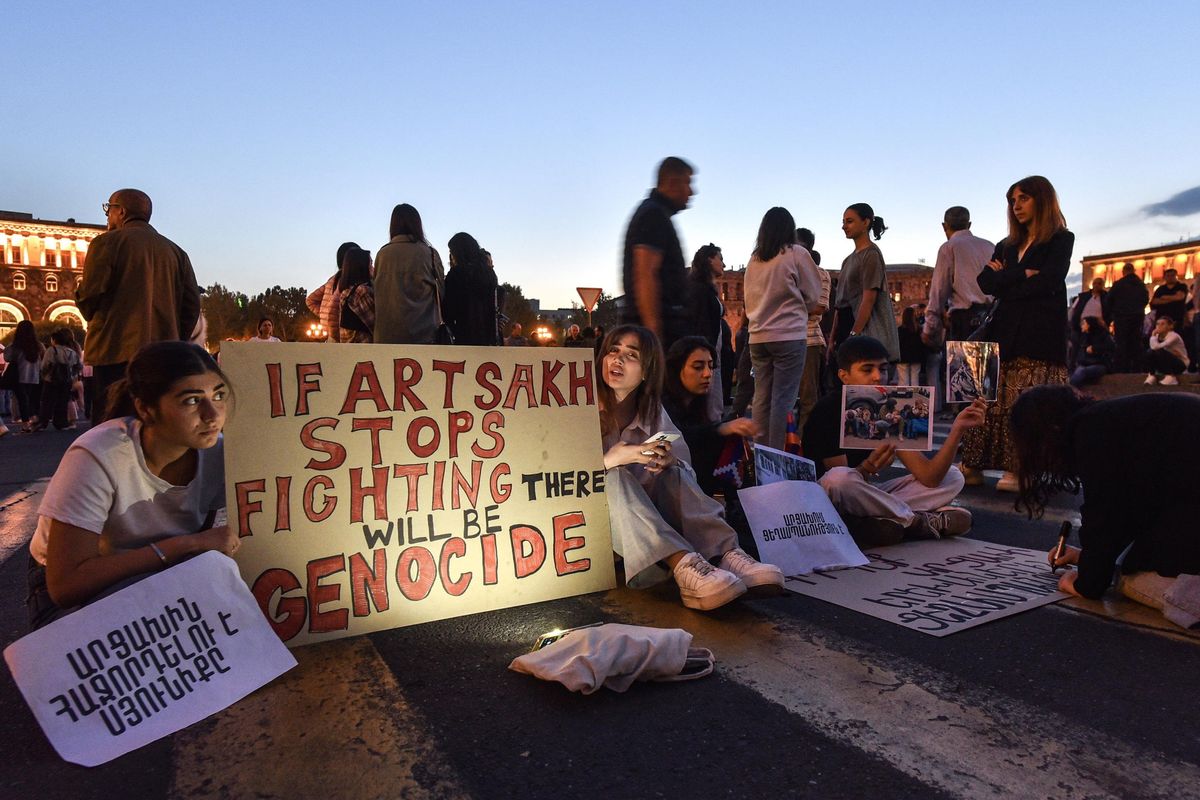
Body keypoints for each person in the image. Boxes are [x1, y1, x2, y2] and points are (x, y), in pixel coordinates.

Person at [26, 341, 238, 629]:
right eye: (191, 400)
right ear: (146, 409)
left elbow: (206, 538)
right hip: (80, 582)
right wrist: (186, 545)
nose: (213, 415)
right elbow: (66, 585)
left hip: (162, 571)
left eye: (219, 395)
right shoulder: (99, 454)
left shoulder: (217, 452)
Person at [596, 325, 782, 610]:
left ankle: (725, 553)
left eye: (630, 355)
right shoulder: (580, 404)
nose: (617, 361)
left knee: (676, 470)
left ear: (647, 370)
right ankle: (683, 565)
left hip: (649, 518)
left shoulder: (652, 409)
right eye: (613, 351)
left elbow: (687, 470)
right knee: (615, 477)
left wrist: (668, 461)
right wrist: (611, 459)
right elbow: (560, 476)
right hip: (598, 531)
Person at [1011, 386, 1200, 629]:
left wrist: (1086, 582)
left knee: (1130, 580)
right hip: (1187, 504)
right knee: (1136, 557)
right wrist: (1086, 557)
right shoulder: (1109, 419)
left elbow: (1105, 514)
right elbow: (1128, 511)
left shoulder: (1093, 433)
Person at [802, 336, 985, 546]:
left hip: (865, 499)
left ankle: (888, 521)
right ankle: (916, 521)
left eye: (883, 369)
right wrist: (868, 468)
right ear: (844, 375)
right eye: (867, 369)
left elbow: (929, 477)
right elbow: (841, 488)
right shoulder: (828, 410)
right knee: (839, 479)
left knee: (953, 476)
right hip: (826, 498)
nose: (878, 377)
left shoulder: (892, 406)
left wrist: (957, 430)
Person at [961, 176, 1073, 493]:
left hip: (1039, 334)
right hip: (1003, 332)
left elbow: (1050, 280)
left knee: (1026, 400)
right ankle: (975, 462)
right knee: (990, 398)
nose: (1016, 205)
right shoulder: (1006, 245)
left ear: (1042, 199)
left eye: (1023, 198)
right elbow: (985, 283)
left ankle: (1020, 467)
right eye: (1013, 200)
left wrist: (1007, 280)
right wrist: (1022, 273)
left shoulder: (1060, 239)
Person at [76, 189, 202, 424]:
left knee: (112, 429)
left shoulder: (106, 243)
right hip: (162, 356)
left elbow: (89, 297)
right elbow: (191, 306)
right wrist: (174, 339)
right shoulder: (176, 252)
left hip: (114, 353)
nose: (107, 217)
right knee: (154, 425)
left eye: (108, 209)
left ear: (121, 211)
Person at [743, 207, 823, 449]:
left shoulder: (754, 259)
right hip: (788, 333)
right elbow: (814, 295)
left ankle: (758, 449)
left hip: (757, 336)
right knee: (783, 399)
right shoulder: (796, 253)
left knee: (762, 396)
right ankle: (776, 454)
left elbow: (749, 298)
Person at [662, 336, 759, 495]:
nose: (707, 374)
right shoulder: (660, 404)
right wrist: (720, 429)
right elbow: (680, 439)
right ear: (676, 368)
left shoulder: (697, 405)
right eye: (698, 367)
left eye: (711, 366)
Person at [622, 157, 694, 350]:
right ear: (672, 183)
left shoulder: (655, 213)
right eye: (688, 183)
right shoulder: (653, 216)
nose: (692, 191)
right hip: (655, 335)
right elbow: (645, 275)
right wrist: (653, 335)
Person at [832, 203, 900, 369]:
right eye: (843, 222)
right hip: (846, 324)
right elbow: (840, 304)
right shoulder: (847, 260)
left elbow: (869, 299)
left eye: (849, 221)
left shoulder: (871, 254)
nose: (844, 226)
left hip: (859, 326)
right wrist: (833, 338)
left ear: (866, 222)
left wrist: (854, 334)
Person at [373, 204, 445, 344]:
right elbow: (441, 293)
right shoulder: (430, 254)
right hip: (425, 336)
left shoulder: (382, 254)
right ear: (418, 224)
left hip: (386, 337)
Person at [926, 207, 995, 343]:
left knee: (961, 364)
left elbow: (938, 291)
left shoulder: (949, 247)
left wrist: (930, 327)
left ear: (944, 226)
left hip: (964, 322)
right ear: (969, 225)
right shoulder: (990, 246)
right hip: (992, 318)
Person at [795, 228, 831, 435]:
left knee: (808, 396)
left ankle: (804, 441)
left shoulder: (819, 274)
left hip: (809, 341)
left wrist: (789, 305)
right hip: (789, 338)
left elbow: (819, 307)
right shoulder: (792, 270)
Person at [687, 243, 728, 421]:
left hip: (712, 354)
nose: (724, 264)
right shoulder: (701, 291)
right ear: (710, 260)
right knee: (709, 405)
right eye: (721, 259)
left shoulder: (706, 289)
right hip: (707, 355)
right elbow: (702, 324)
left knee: (712, 403)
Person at [442, 232, 499, 346]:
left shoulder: (455, 275)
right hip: (488, 338)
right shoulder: (489, 274)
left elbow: (448, 311)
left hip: (462, 336)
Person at [306, 241, 360, 343]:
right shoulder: (351, 279)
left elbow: (311, 300)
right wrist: (331, 316)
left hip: (331, 334)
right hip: (345, 334)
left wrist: (324, 315)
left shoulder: (332, 280)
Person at [34, 328, 82, 431]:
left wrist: (44, 375)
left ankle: (43, 422)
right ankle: (61, 423)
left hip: (51, 379)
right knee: (62, 402)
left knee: (47, 402)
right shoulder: (71, 352)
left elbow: (44, 365)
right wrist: (72, 373)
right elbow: (79, 365)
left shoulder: (52, 350)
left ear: (54, 339)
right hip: (66, 381)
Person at [1105, 263, 1149, 373]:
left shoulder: (1118, 284)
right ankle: (1136, 368)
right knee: (1136, 342)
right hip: (1137, 316)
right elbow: (1145, 299)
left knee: (1121, 342)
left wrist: (1112, 314)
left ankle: (1122, 368)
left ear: (1123, 272)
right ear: (1133, 270)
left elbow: (1109, 300)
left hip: (1121, 317)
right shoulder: (1140, 284)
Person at [7, 320, 43, 432]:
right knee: (32, 399)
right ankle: (34, 418)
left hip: (20, 376)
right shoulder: (38, 345)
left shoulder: (16, 346)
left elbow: (7, 357)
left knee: (22, 400)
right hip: (35, 376)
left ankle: (26, 424)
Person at [337, 247, 376, 343]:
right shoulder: (361, 292)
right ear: (361, 267)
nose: (373, 267)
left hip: (351, 350)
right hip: (365, 351)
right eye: (370, 263)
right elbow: (376, 325)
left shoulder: (346, 292)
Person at [1068, 277, 1109, 371]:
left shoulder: (1105, 298)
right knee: (1077, 346)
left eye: (1099, 283)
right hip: (1081, 325)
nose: (1097, 285)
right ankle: (1072, 368)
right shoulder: (1083, 296)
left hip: (1098, 327)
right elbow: (1073, 310)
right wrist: (1072, 322)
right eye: (1095, 283)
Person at [1069, 317, 1115, 387]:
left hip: (1099, 364)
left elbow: (1111, 347)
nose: (1081, 325)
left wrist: (1095, 349)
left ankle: (1070, 388)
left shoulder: (1102, 335)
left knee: (1081, 371)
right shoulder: (1084, 337)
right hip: (1086, 363)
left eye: (1084, 323)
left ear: (1089, 325)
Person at [1144, 316, 1187, 385]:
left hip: (1180, 365)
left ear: (1171, 326)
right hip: (1166, 363)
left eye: (1162, 324)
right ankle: (1152, 375)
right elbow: (1153, 348)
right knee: (1150, 352)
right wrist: (1154, 336)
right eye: (1157, 324)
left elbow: (1156, 347)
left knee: (1158, 351)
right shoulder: (1157, 336)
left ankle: (1171, 377)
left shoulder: (1173, 336)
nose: (1159, 326)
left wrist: (1152, 336)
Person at [895, 306, 927, 386]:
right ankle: (915, 396)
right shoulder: (918, 330)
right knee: (915, 379)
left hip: (903, 357)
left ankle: (904, 397)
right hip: (916, 357)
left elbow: (898, 344)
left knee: (903, 380)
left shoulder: (900, 330)